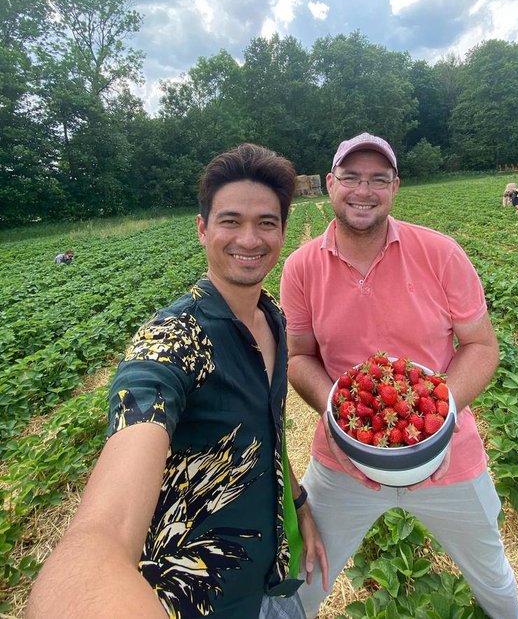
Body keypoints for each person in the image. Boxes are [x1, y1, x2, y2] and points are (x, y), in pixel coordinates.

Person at [27, 143, 328, 619]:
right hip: (196, 603)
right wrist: (90, 559)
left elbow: (264, 428)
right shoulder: (172, 341)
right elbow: (100, 536)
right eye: (230, 221)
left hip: (272, 584)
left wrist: (300, 504)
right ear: (202, 229)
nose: (249, 238)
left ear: (283, 232)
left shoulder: (272, 319)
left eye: (266, 223)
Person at [280, 132, 518, 619]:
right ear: (330, 184)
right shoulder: (301, 267)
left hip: (446, 454)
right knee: (304, 576)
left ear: (395, 186)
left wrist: (439, 412)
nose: (362, 190)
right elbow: (298, 356)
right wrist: (339, 410)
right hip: (342, 460)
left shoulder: (441, 253)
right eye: (350, 177)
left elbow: (481, 346)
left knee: (492, 576)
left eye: (377, 179)